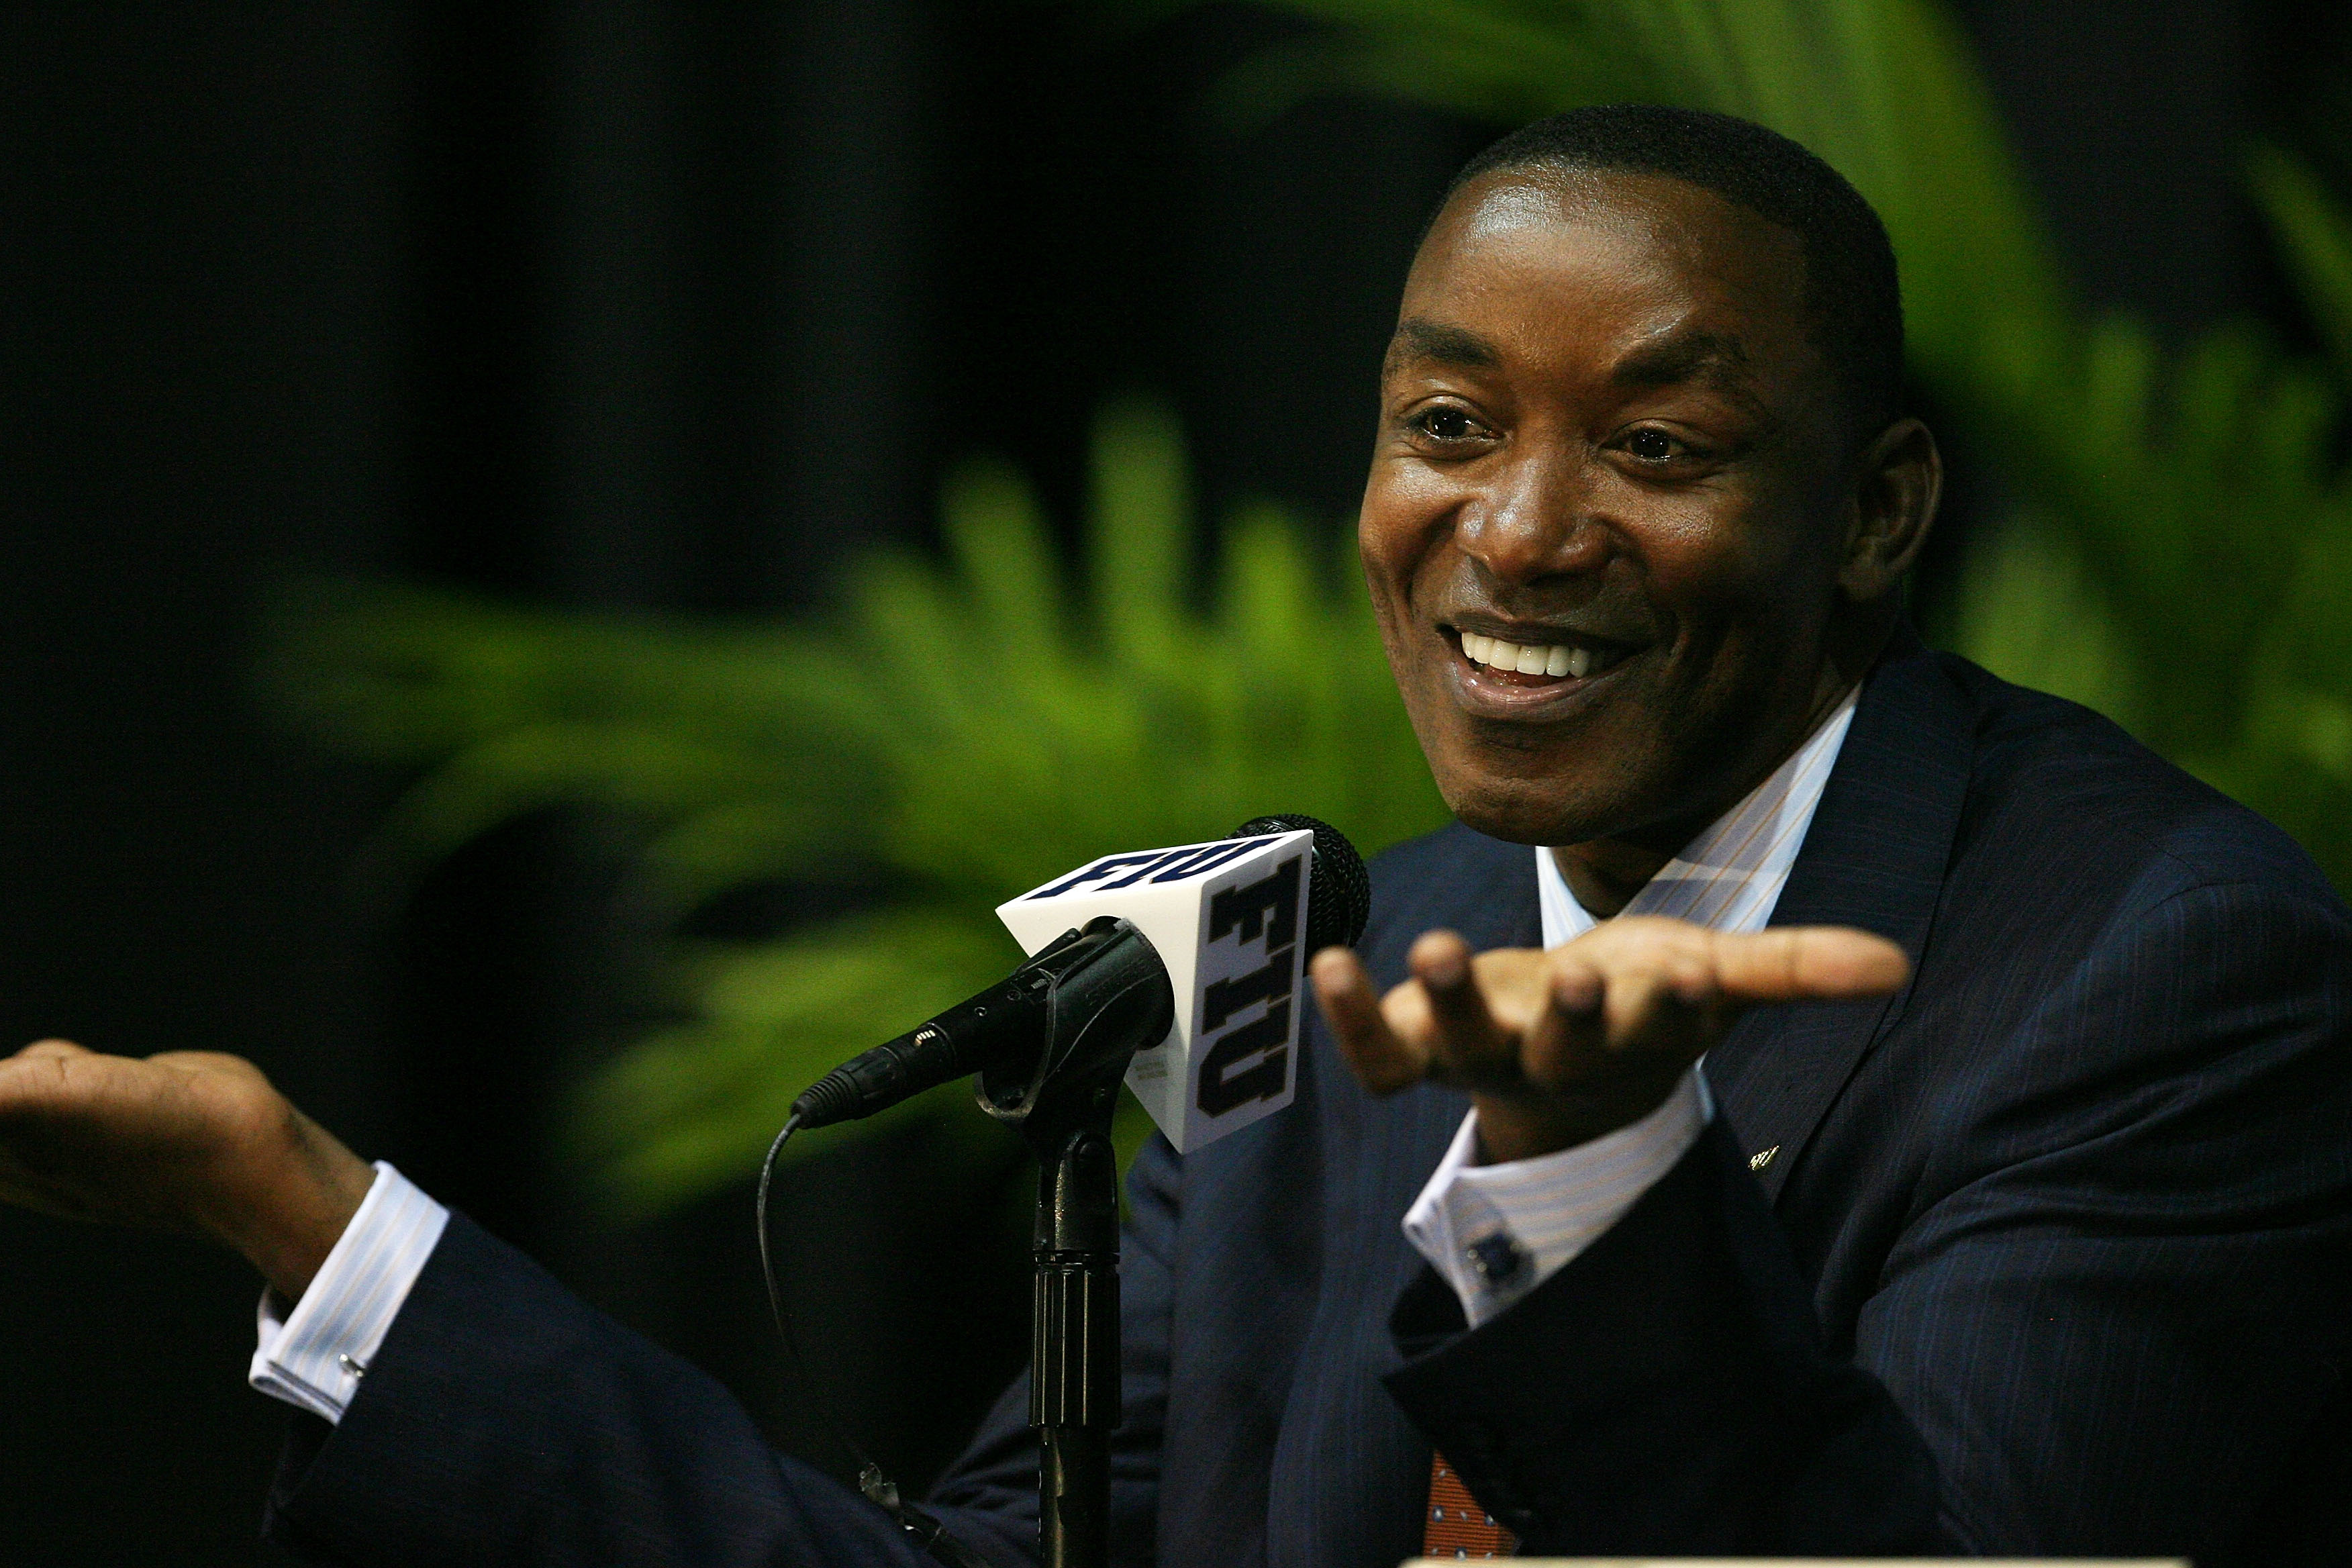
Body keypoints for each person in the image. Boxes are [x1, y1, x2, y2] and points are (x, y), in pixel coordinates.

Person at [2, 105, 2347, 1567]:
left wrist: (1594, 1179)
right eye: (1449, 419)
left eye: (1657, 446)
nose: (1516, 532)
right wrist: (301, 1210)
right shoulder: (1330, 977)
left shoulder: (2165, 967)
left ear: (1879, 511)